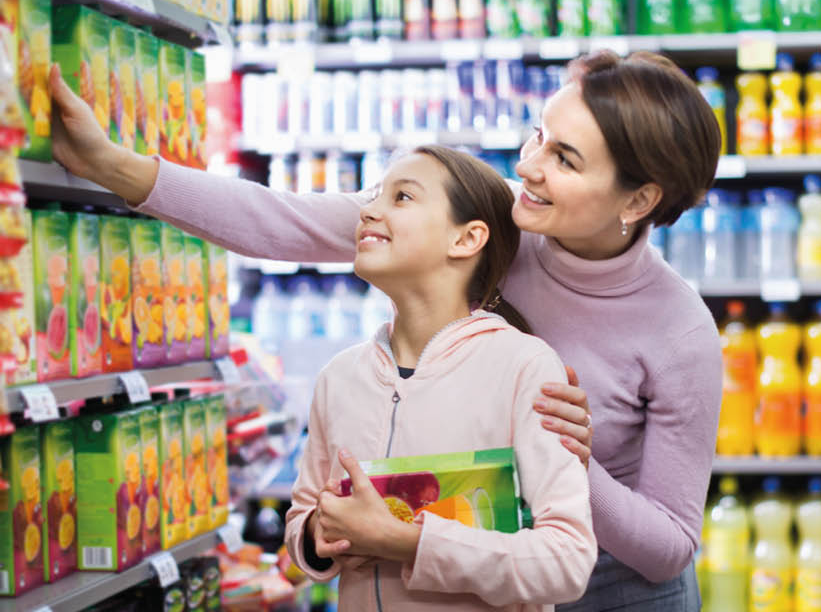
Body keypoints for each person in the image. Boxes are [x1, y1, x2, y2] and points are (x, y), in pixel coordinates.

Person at [49, 49, 723, 610]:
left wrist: (566, 458)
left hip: (615, 588)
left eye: (566, 159)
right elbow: (281, 220)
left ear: (637, 199)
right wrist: (109, 164)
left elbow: (667, 545)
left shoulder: (677, 330)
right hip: (468, 563)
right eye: (539, 134)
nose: (528, 165)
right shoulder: (494, 224)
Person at [286, 145, 596, 610]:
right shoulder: (339, 377)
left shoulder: (523, 367)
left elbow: (566, 561)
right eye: (374, 196)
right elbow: (303, 520)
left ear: (467, 239)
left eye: (402, 197)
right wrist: (317, 532)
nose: (368, 210)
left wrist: (408, 541)